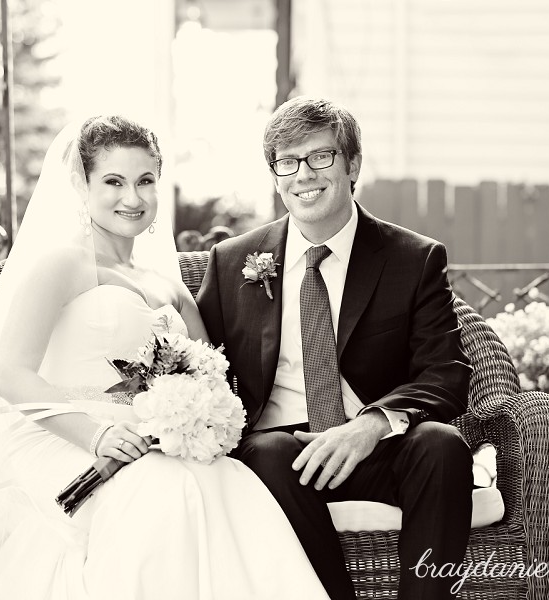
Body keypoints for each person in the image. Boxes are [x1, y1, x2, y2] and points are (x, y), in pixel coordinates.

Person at [0, 115, 330, 600]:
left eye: (146, 181)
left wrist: (195, 422)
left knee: (228, 484)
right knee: (161, 495)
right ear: (80, 185)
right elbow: (11, 376)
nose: (133, 197)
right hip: (67, 436)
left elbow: (211, 376)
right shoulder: (62, 264)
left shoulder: (169, 287)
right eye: (114, 181)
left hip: (155, 443)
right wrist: (99, 434)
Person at [196, 96, 474, 600]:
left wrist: (370, 425)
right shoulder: (232, 261)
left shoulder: (414, 259)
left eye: (320, 156)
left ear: (353, 166)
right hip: (280, 458)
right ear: (276, 175)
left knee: (443, 445)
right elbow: (199, 370)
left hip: (377, 447)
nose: (303, 173)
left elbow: (447, 374)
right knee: (270, 450)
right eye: (287, 161)